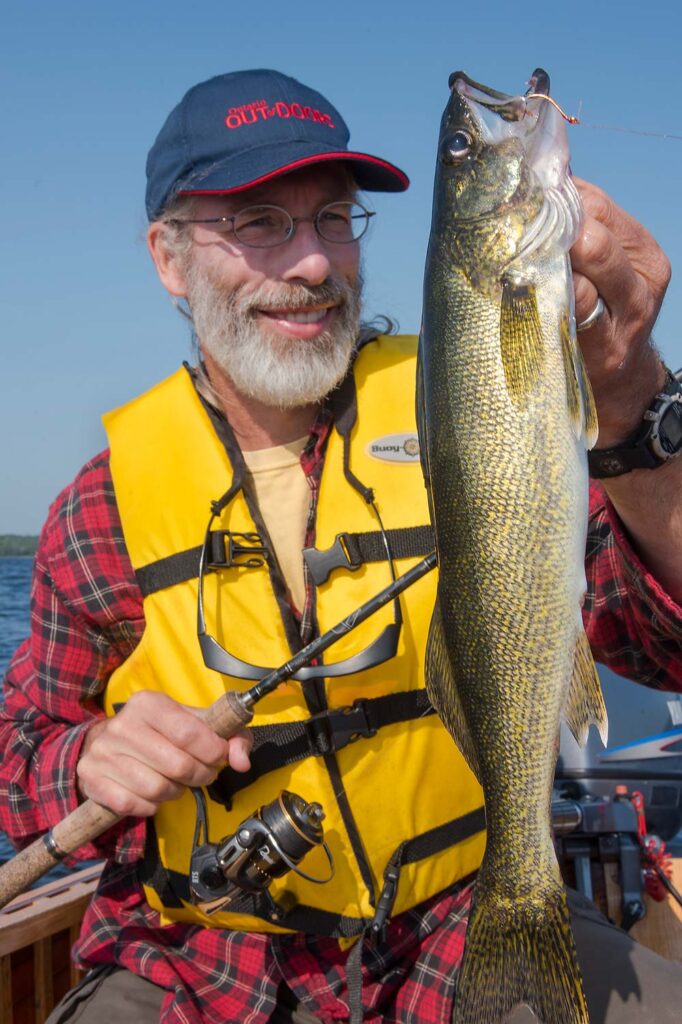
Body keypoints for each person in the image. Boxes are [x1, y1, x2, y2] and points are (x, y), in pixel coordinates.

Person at [1, 68, 681, 1024]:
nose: (315, 265)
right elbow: (16, 760)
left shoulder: (466, 406)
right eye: (260, 223)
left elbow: (663, 646)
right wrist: (90, 760)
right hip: (201, 967)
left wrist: (633, 397)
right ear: (167, 255)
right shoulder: (98, 511)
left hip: (460, 913)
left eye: (334, 220)